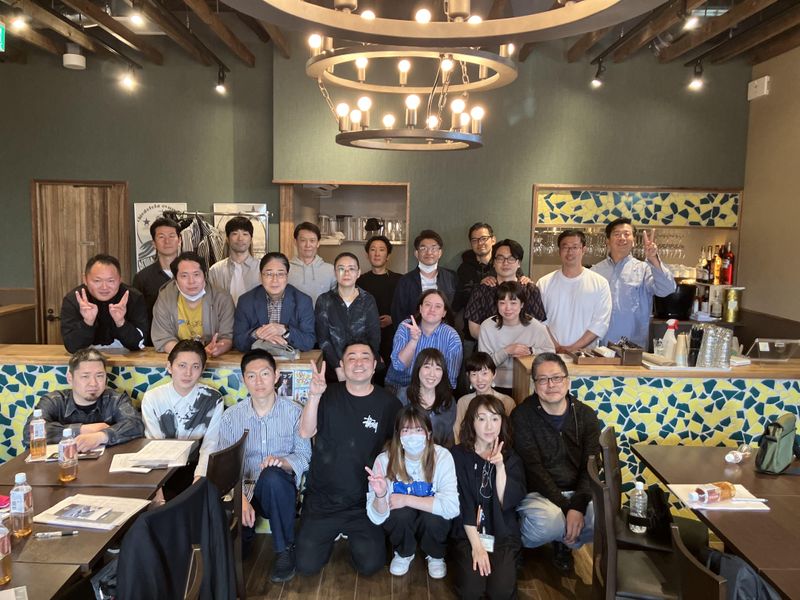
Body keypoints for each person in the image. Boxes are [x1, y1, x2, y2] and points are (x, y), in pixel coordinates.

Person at [296, 341, 402, 577]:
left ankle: (350, 533)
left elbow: (396, 450)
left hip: (363, 502)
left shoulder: (389, 404)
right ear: (342, 365)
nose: (358, 362)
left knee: (371, 565)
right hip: (323, 500)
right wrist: (314, 396)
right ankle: (331, 533)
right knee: (306, 566)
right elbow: (305, 432)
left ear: (374, 366)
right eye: (351, 358)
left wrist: (384, 493)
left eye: (365, 357)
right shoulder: (327, 394)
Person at [217, 349, 312, 583]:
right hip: (244, 491)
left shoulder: (294, 412)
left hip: (278, 491)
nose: (259, 381)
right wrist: (240, 500)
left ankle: (284, 549)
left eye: (265, 374)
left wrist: (282, 462)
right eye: (251, 376)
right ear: (243, 379)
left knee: (272, 475)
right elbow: (225, 468)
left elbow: (304, 455)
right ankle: (246, 534)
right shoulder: (231, 417)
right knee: (230, 554)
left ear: (276, 376)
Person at [512, 352, 600, 572]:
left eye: (556, 378)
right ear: (535, 385)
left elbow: (591, 466)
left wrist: (578, 505)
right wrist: (568, 508)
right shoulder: (522, 416)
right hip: (538, 492)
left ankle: (564, 541)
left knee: (602, 518)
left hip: (577, 491)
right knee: (549, 523)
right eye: (543, 379)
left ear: (567, 381)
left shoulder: (586, 416)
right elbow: (533, 469)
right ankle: (515, 542)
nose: (550, 385)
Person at [365, 405, 459, 579]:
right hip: (403, 520)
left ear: (428, 433)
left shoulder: (442, 457)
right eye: (406, 430)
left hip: (430, 520)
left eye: (418, 430)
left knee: (433, 517)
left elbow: (452, 508)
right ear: (398, 435)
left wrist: (407, 499)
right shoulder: (384, 460)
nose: (412, 436)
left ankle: (435, 554)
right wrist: (380, 495)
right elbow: (376, 517)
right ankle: (404, 552)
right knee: (400, 514)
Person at [451, 395, 527, 600]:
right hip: (469, 534)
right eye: (481, 418)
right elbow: (463, 504)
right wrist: (477, 547)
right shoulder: (458, 455)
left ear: (502, 422)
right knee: (471, 591)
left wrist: (500, 466)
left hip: (501, 534)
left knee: (501, 592)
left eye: (495, 418)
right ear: (471, 422)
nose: (489, 426)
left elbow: (506, 501)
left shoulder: (511, 457)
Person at [22, 348, 143, 451]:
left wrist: (100, 437)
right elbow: (29, 433)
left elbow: (136, 425)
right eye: (85, 376)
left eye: (99, 376)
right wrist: (82, 430)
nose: (93, 383)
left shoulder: (116, 399)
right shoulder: (54, 401)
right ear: (70, 378)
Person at [141, 339, 224, 482]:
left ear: (202, 369)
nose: (188, 373)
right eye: (182, 365)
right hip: (161, 470)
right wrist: (157, 485)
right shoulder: (152, 398)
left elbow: (210, 445)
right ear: (169, 367)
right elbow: (154, 445)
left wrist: (199, 480)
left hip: (196, 468)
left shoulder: (213, 399)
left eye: (195, 367)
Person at [593, 218, 676, 348]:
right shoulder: (595, 271)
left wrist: (653, 259)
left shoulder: (644, 269)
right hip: (600, 347)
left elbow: (667, 289)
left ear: (634, 242)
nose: (622, 238)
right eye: (616, 234)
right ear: (607, 240)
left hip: (634, 347)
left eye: (627, 234)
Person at [536, 230, 612, 353]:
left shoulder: (600, 283)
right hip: (550, 353)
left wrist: (573, 348)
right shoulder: (544, 283)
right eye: (565, 247)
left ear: (583, 250)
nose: (570, 252)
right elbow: (539, 321)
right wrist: (556, 347)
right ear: (559, 251)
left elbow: (600, 323)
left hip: (585, 356)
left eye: (575, 247)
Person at [150, 251, 235, 356]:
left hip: (212, 357)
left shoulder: (222, 299)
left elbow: (227, 337)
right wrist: (190, 355)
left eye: (196, 274)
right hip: (178, 357)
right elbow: (163, 338)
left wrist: (218, 348)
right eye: (184, 276)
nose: (191, 281)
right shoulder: (165, 298)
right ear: (175, 280)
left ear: (204, 276)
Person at [477, 281, 554, 395]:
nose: (508, 308)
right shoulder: (487, 326)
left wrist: (530, 350)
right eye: (502, 303)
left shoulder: (535, 326)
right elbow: (483, 365)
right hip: (494, 385)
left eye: (513, 303)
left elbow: (551, 353)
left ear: (522, 304)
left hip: (527, 384)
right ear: (497, 304)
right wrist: (507, 351)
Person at [60, 254, 148, 353]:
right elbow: (72, 347)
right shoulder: (73, 300)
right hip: (86, 357)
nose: (104, 287)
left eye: (111, 281)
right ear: (85, 279)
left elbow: (139, 344)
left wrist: (121, 322)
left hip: (127, 356)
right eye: (97, 281)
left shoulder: (134, 298)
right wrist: (87, 322)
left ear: (120, 279)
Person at [315, 252, 381, 382]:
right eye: (341, 269)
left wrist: (363, 364)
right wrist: (338, 367)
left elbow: (374, 337)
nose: (346, 273)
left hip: (362, 368)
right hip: (333, 370)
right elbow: (323, 339)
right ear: (335, 273)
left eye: (351, 269)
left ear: (358, 273)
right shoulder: (324, 300)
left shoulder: (368, 300)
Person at [385, 289, 462, 399]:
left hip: (432, 388)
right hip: (399, 384)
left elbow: (450, 379)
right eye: (428, 304)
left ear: (444, 313)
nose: (432, 309)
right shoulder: (406, 326)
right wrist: (413, 341)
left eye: (438, 306)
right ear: (420, 308)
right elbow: (399, 366)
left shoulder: (451, 336)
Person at [233, 252, 316, 352]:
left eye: (280, 274)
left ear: (287, 276)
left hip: (290, 358)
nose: (274, 280)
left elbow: (309, 342)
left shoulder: (303, 301)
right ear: (260, 276)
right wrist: (256, 334)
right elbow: (238, 342)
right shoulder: (246, 301)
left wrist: (285, 331)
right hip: (258, 357)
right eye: (269, 274)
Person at [464, 239, 546, 340]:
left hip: (524, 347)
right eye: (500, 258)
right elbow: (474, 330)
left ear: (519, 263)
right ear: (493, 262)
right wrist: (501, 344)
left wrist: (516, 345)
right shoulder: (481, 290)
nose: (505, 263)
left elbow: (537, 326)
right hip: (490, 346)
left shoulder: (530, 290)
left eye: (511, 258)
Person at [356, 235, 402, 379]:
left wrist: (393, 319)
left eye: (381, 250)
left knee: (390, 377)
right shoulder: (359, 281)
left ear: (388, 256)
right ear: (367, 255)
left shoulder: (400, 280)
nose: (377, 254)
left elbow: (407, 309)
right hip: (366, 338)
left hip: (393, 337)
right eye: (373, 250)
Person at [391, 230, 458, 327]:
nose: (429, 252)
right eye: (423, 248)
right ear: (416, 253)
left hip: (444, 332)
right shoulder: (405, 281)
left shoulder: (451, 277)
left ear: (440, 253)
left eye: (433, 248)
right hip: (413, 332)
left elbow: (455, 309)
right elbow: (398, 313)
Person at [133, 216, 182, 342]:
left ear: (180, 240)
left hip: (188, 341)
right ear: (154, 243)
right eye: (161, 237)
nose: (167, 241)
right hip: (155, 343)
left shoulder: (193, 274)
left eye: (172, 236)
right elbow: (138, 316)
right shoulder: (142, 278)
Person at [453, 352, 516, 444]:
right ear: (468, 376)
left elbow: (510, 434)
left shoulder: (507, 401)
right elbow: (457, 434)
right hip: (468, 449)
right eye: (474, 374)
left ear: (494, 374)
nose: (480, 380)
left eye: (484, 373)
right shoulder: (463, 402)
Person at [404, 349, 457, 447]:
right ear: (418, 369)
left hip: (439, 454)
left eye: (438, 368)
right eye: (427, 367)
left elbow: (448, 438)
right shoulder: (404, 395)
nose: (432, 374)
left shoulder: (448, 401)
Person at [207, 216, 262, 305]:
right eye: (235, 234)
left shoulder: (261, 268)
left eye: (245, 234)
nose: (240, 238)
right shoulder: (215, 270)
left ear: (251, 238)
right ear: (227, 239)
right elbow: (209, 301)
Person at [287, 222, 336, 306]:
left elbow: (336, 301)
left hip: (323, 315)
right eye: (303, 240)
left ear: (318, 243)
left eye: (312, 240)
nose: (308, 245)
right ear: (295, 242)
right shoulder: (285, 270)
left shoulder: (331, 270)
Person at [453, 223, 496, 313]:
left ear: (493, 240)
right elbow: (458, 302)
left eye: (483, 238)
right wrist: (479, 286)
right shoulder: (465, 268)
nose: (480, 243)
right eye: (474, 240)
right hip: (473, 316)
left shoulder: (504, 262)